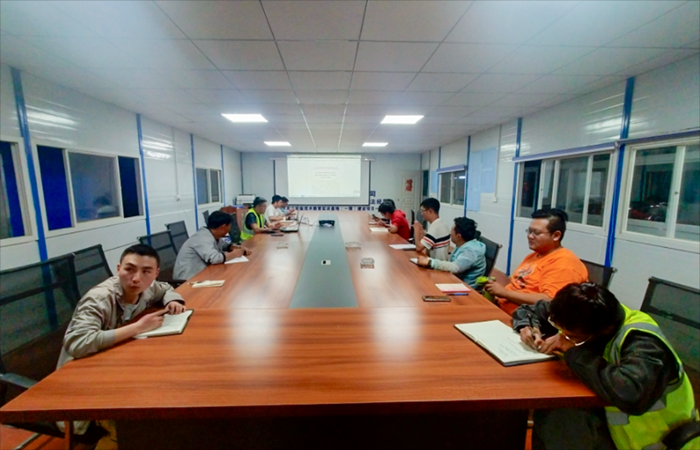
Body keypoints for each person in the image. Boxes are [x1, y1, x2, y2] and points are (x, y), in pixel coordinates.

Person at [512, 283, 698, 450]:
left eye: (573, 336)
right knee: (554, 411)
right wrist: (528, 326)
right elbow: (530, 310)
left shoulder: (642, 342)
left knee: (562, 419)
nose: (563, 335)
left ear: (604, 331)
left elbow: (631, 394)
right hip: (611, 422)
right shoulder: (582, 310)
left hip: (650, 439)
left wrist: (573, 351)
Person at [57, 244, 187, 441]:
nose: (136, 279)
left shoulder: (148, 287)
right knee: (141, 429)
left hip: (116, 367)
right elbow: (78, 342)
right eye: (129, 269)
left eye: (146, 271)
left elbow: (166, 288)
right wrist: (138, 328)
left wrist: (172, 301)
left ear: (155, 274)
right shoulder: (99, 298)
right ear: (118, 269)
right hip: (82, 388)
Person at [484, 208, 587, 314]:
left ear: (556, 236)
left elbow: (549, 302)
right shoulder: (534, 255)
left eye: (536, 233)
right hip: (501, 308)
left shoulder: (564, 263)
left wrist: (504, 293)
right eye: (529, 231)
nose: (530, 236)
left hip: (522, 320)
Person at [173, 211, 251, 280]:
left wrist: (233, 247)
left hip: (202, 273)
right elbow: (215, 258)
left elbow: (223, 245)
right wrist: (234, 254)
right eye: (229, 226)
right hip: (187, 279)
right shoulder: (202, 238)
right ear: (223, 227)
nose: (230, 229)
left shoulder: (212, 234)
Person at [416, 217, 486, 287]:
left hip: (465, 289)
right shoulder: (463, 244)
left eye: (452, 231)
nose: (450, 233)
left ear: (458, 236)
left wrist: (430, 262)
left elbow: (455, 268)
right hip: (454, 281)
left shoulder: (471, 251)